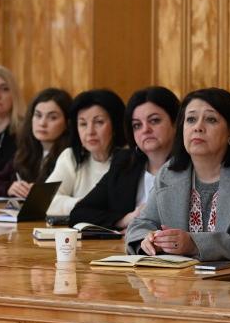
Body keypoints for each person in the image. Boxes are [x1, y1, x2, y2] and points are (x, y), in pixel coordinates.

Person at [125, 87, 230, 261]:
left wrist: (194, 244)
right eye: (191, 119)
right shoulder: (169, 172)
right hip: (176, 276)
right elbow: (140, 225)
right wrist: (149, 239)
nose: (198, 127)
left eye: (211, 119)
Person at [69, 86, 179, 229]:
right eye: (137, 125)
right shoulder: (124, 163)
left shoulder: (190, 167)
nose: (145, 129)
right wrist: (125, 220)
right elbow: (79, 213)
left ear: (175, 123)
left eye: (154, 121)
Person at [45, 89, 127, 216]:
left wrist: (82, 207)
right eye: (83, 124)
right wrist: (87, 205)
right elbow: (46, 201)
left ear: (116, 125)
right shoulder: (71, 156)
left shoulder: (129, 160)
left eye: (99, 122)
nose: (90, 132)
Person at [0, 88, 72, 198]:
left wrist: (39, 191)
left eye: (52, 117)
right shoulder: (27, 151)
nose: (42, 123)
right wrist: (9, 187)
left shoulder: (69, 156)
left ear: (67, 123)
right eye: (38, 115)